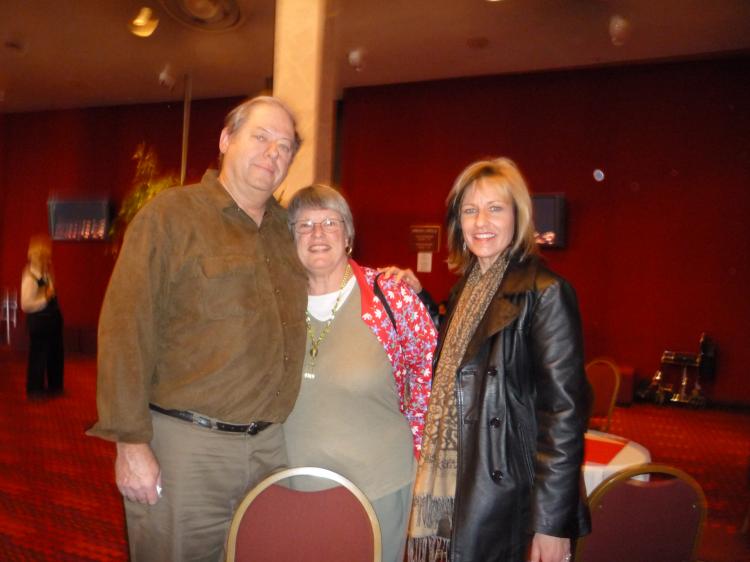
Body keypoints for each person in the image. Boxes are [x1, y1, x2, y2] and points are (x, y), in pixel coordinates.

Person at [88, 96, 309, 562]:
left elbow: (332, 280)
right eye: (261, 137)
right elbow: (125, 329)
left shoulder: (284, 232)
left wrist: (385, 280)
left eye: (285, 146)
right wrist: (131, 444)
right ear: (227, 139)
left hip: (269, 450)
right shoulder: (171, 216)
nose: (273, 153)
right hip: (188, 451)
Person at [406, 158, 591, 562]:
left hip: (507, 495)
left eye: (495, 208)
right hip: (460, 481)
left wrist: (551, 523)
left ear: (518, 215)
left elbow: (564, 414)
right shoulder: (466, 290)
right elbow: (461, 367)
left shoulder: (546, 293)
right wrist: (420, 299)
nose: (480, 221)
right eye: (469, 210)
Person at [282, 185, 437, 562]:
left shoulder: (390, 297)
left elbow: (429, 378)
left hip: (378, 489)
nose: (317, 234)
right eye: (304, 225)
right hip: (291, 487)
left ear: (348, 236)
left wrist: (421, 456)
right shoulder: (276, 301)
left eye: (330, 222)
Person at [20, 234, 64, 398]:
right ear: (36, 256)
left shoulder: (46, 274)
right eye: (44, 256)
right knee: (38, 356)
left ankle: (55, 386)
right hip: (39, 321)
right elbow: (25, 304)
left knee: (55, 353)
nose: (48, 259)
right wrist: (45, 298)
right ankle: (35, 389)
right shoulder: (29, 277)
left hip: (52, 319)